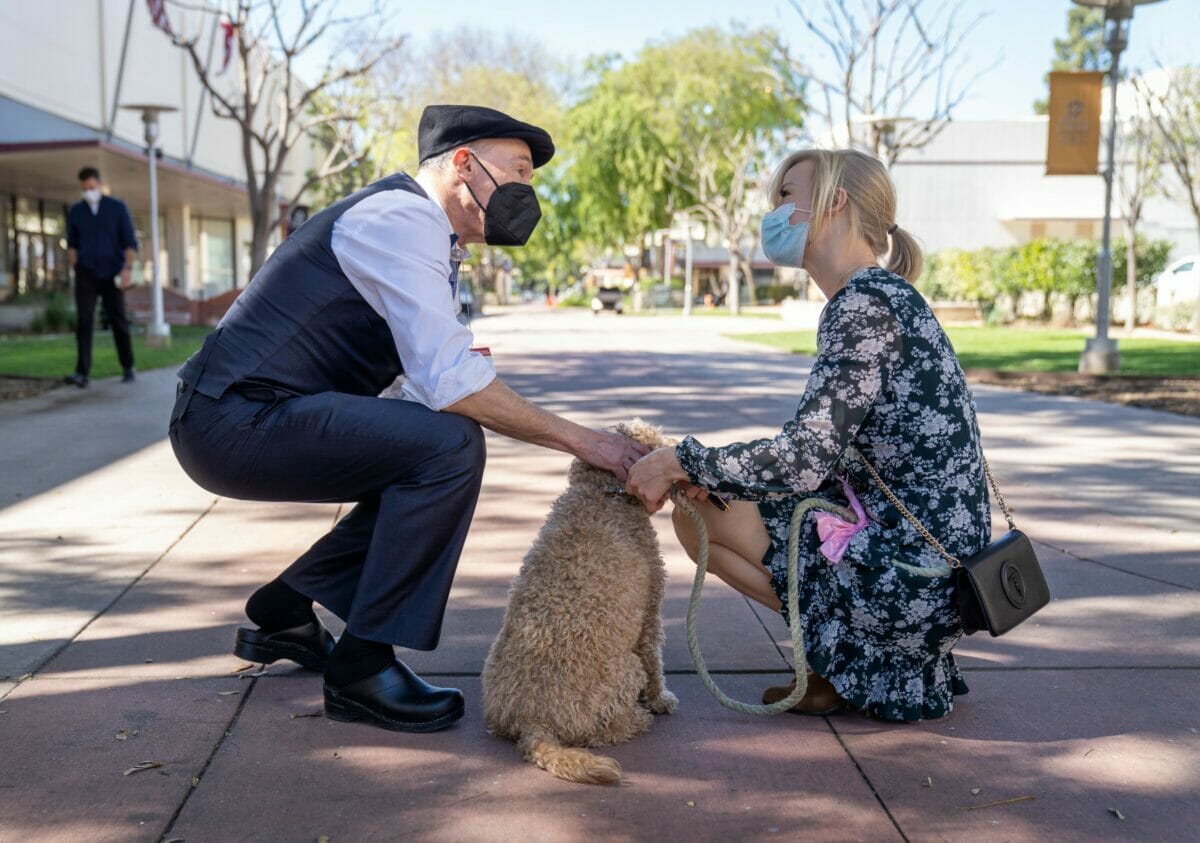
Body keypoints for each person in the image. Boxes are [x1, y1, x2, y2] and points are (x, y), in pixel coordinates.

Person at [169, 105, 647, 733]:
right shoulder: (400, 219)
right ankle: (361, 667)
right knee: (447, 448)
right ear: (462, 165)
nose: (526, 194)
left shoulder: (425, 237)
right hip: (233, 421)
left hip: (245, 415)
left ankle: (285, 607)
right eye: (518, 172)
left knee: (424, 454)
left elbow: (426, 381)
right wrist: (590, 444)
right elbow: (454, 385)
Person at [627, 148, 990, 722]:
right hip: (938, 569)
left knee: (705, 520)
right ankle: (837, 665)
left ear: (834, 202)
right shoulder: (883, 296)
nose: (775, 212)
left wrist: (683, 461)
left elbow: (803, 459)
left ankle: (848, 663)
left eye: (786, 196)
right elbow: (823, 452)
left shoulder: (863, 306)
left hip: (914, 578)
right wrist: (711, 472)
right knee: (716, 504)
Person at [65, 167, 138, 387]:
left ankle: (128, 367)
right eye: (85, 189)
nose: (89, 192)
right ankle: (82, 372)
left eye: (92, 187)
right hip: (86, 272)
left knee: (118, 320)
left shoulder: (117, 208)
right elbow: (71, 245)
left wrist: (126, 269)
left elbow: (130, 243)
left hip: (113, 272)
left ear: (99, 184)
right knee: (84, 321)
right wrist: (76, 266)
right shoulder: (76, 211)